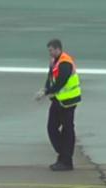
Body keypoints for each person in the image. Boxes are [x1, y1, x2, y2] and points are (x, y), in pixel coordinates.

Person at [35, 39, 82, 171]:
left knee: (67, 130)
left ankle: (66, 160)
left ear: (57, 49)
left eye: (51, 50)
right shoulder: (54, 61)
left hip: (68, 101)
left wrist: (47, 92)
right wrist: (45, 89)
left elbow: (61, 81)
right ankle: (63, 155)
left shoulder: (65, 63)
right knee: (52, 128)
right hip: (58, 100)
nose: (49, 53)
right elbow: (50, 78)